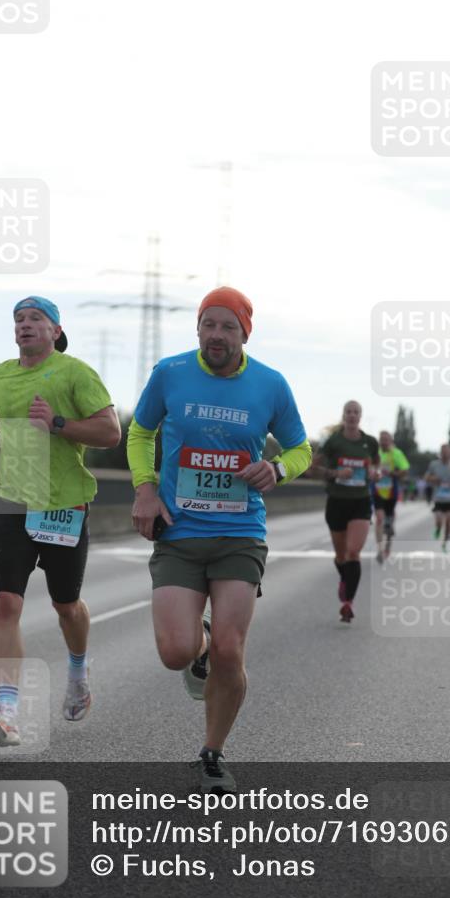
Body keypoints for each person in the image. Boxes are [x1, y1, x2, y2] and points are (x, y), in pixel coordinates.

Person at [127, 287, 311, 792]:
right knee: (175, 651)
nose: (216, 335)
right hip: (180, 531)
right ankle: (199, 646)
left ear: (244, 334)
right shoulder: (170, 373)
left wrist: (277, 468)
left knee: (233, 649)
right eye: (208, 324)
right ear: (199, 329)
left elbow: (301, 448)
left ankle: (212, 752)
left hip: (239, 532)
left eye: (228, 326)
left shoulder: (270, 384)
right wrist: (145, 491)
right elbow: (140, 433)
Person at [0, 296, 121, 747]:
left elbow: (110, 431)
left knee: (66, 606)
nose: (24, 325)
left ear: (56, 330)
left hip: (64, 504)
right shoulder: (0, 375)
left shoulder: (75, 373)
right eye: (18, 319)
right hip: (13, 503)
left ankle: (78, 669)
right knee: (6, 604)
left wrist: (57, 423)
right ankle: (7, 713)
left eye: (35, 319)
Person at [312, 402, 379, 622]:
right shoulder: (334, 441)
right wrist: (336, 472)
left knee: (353, 552)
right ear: (344, 416)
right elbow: (313, 468)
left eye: (356, 412)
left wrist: (375, 474)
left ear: (360, 416)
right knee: (341, 556)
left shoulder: (370, 442)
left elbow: (376, 467)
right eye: (348, 412)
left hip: (360, 501)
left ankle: (348, 603)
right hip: (337, 502)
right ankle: (345, 581)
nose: (352, 415)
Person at [372, 431, 409, 562]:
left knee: (388, 520)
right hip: (377, 491)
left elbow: (405, 469)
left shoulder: (396, 453)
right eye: (381, 439)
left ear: (391, 441)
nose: (384, 442)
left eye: (386, 440)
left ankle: (388, 543)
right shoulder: (375, 453)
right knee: (379, 518)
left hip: (391, 491)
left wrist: (393, 473)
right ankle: (379, 550)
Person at [426, 444, 450, 551]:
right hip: (438, 498)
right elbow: (426, 477)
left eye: (447, 452)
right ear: (440, 453)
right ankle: (438, 529)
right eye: (443, 452)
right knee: (439, 521)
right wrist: (434, 479)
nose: (445, 454)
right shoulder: (434, 464)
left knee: (448, 520)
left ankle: (445, 543)